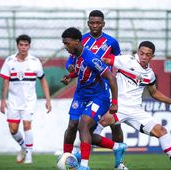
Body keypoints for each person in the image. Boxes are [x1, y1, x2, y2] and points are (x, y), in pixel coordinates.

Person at [102, 40, 171, 170]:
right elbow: (103, 60)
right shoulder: (126, 60)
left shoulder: (150, 75)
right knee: (96, 125)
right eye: (141, 53)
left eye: (147, 55)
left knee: (162, 131)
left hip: (136, 111)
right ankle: (80, 156)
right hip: (118, 107)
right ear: (138, 52)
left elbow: (154, 93)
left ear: (152, 56)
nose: (143, 57)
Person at [64, 10, 126, 170]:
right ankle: (67, 159)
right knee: (75, 126)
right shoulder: (79, 41)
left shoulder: (111, 42)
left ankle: (118, 161)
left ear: (103, 24)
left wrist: (116, 99)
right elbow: (73, 62)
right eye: (92, 22)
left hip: (103, 89)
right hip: (82, 91)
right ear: (88, 23)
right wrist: (70, 72)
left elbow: (119, 63)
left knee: (114, 125)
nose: (95, 26)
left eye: (98, 22)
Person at [0, 34, 52, 164]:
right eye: (21, 45)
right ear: (17, 46)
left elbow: (43, 80)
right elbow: (5, 81)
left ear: (29, 46)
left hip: (29, 101)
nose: (23, 47)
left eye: (26, 45)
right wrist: (3, 100)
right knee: (13, 130)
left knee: (27, 125)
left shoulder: (34, 62)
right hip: (13, 101)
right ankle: (24, 147)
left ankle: (29, 156)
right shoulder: (9, 61)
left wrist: (48, 99)